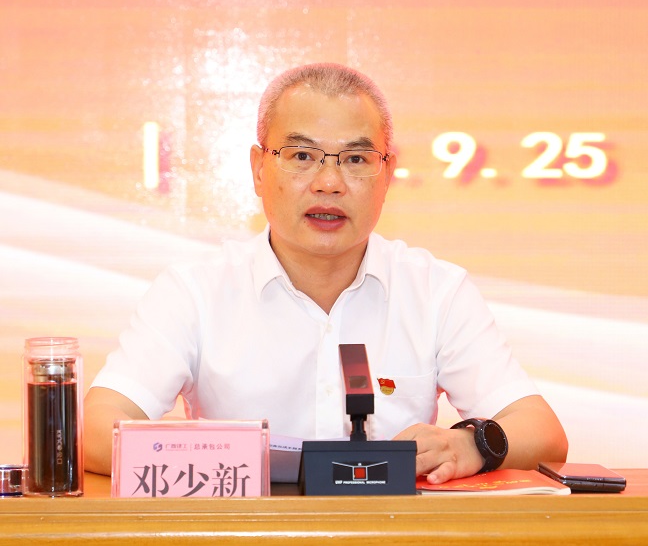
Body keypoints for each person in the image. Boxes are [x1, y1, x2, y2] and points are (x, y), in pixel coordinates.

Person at [84, 62, 568, 480]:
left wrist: (471, 445)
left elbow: (542, 432)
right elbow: (95, 429)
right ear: (258, 169)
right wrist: (222, 457)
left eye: (356, 159)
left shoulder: (436, 291)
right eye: (302, 156)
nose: (330, 182)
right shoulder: (194, 292)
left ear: (387, 174)